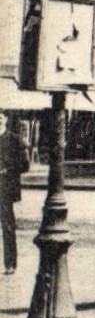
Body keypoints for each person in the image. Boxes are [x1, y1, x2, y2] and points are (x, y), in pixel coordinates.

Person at [0, 112, 31, 274]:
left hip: (5, 189)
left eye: (0, 117)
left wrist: (7, 170)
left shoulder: (14, 139)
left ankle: (10, 263)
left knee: (8, 227)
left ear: (5, 120)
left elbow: (25, 165)